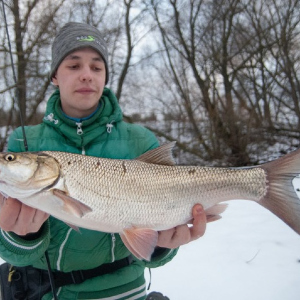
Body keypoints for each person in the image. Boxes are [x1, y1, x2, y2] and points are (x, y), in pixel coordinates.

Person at [0, 22, 207, 300]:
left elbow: (152, 250)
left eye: (96, 67)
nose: (86, 75)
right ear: (54, 76)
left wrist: (163, 245)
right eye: (74, 66)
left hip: (128, 289)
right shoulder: (25, 141)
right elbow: (17, 253)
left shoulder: (140, 139)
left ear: (105, 76)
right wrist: (21, 236)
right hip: (53, 291)